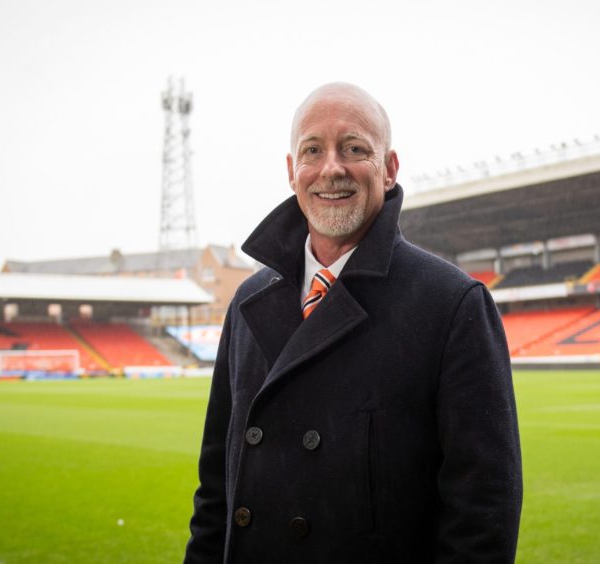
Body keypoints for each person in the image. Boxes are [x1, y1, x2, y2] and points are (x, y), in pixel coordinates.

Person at [184, 83, 522, 563]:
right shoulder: (247, 301)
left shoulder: (453, 305)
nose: (331, 169)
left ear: (389, 169)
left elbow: (483, 513)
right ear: (291, 171)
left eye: (355, 148)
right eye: (313, 150)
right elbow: (216, 487)